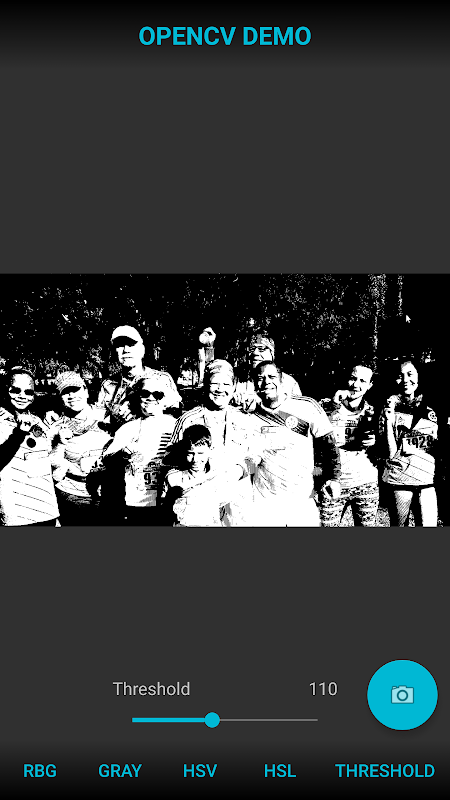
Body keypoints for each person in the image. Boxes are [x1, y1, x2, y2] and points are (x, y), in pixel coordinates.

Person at [246, 361, 341, 526]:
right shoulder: (250, 415)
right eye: (260, 378)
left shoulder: (306, 406)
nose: (266, 382)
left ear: (282, 381)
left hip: (301, 501)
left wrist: (333, 478)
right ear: (255, 385)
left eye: (272, 377)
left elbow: (329, 445)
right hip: (264, 503)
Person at [169, 359, 254, 525]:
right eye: (215, 383)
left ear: (234, 387)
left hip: (237, 505)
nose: (220, 389)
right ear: (205, 385)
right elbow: (170, 462)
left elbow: (256, 459)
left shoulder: (246, 419)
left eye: (226, 384)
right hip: (199, 507)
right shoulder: (188, 420)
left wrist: (240, 470)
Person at [102, 375, 176, 524]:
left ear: (165, 399)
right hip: (138, 502)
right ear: (138, 397)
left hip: (169, 500)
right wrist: (122, 454)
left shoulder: (176, 425)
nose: (151, 398)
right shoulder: (128, 428)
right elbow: (107, 458)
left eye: (157, 394)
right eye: (145, 393)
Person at [379, 360, 438, 526]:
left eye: (410, 374)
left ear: (419, 376)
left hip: (427, 480)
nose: (405, 380)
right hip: (399, 480)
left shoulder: (434, 406)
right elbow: (390, 452)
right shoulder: (388, 407)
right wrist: (388, 421)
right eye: (400, 376)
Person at [318, 365, 379, 526]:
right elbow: (314, 435)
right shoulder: (326, 405)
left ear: (370, 385)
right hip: (333, 482)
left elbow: (386, 449)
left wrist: (375, 443)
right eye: (353, 378)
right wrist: (333, 406)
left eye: (362, 381)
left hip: (366, 482)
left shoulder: (373, 411)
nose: (356, 384)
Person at [49, 372, 112, 525]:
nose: (71, 396)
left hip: (109, 493)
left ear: (86, 391)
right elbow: (51, 462)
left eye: (76, 390)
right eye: (65, 392)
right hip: (72, 495)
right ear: (60, 397)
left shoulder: (108, 416)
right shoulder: (56, 426)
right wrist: (60, 443)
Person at [0, 367, 59, 526]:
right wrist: (18, 434)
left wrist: (57, 438)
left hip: (47, 511)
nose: (22, 396)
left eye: (28, 392)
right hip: (18, 517)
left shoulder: (37, 420)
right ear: (6, 390)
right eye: (15, 390)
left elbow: (46, 461)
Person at [97, 325, 181, 433]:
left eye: (131, 344)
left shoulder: (161, 379)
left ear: (142, 350)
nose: (126, 350)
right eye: (120, 345)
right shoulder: (108, 385)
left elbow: (175, 414)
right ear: (114, 351)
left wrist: (141, 410)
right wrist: (113, 416)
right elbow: (101, 420)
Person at [162, 425, 245, 526]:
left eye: (200, 453)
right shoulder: (173, 477)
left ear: (210, 450)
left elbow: (226, 512)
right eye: (190, 453)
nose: (196, 459)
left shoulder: (219, 475)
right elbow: (167, 513)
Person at [233, 332, 301, 411]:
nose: (255, 353)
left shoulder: (289, 382)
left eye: (261, 349)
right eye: (252, 349)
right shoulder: (236, 379)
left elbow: (298, 411)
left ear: (272, 353)